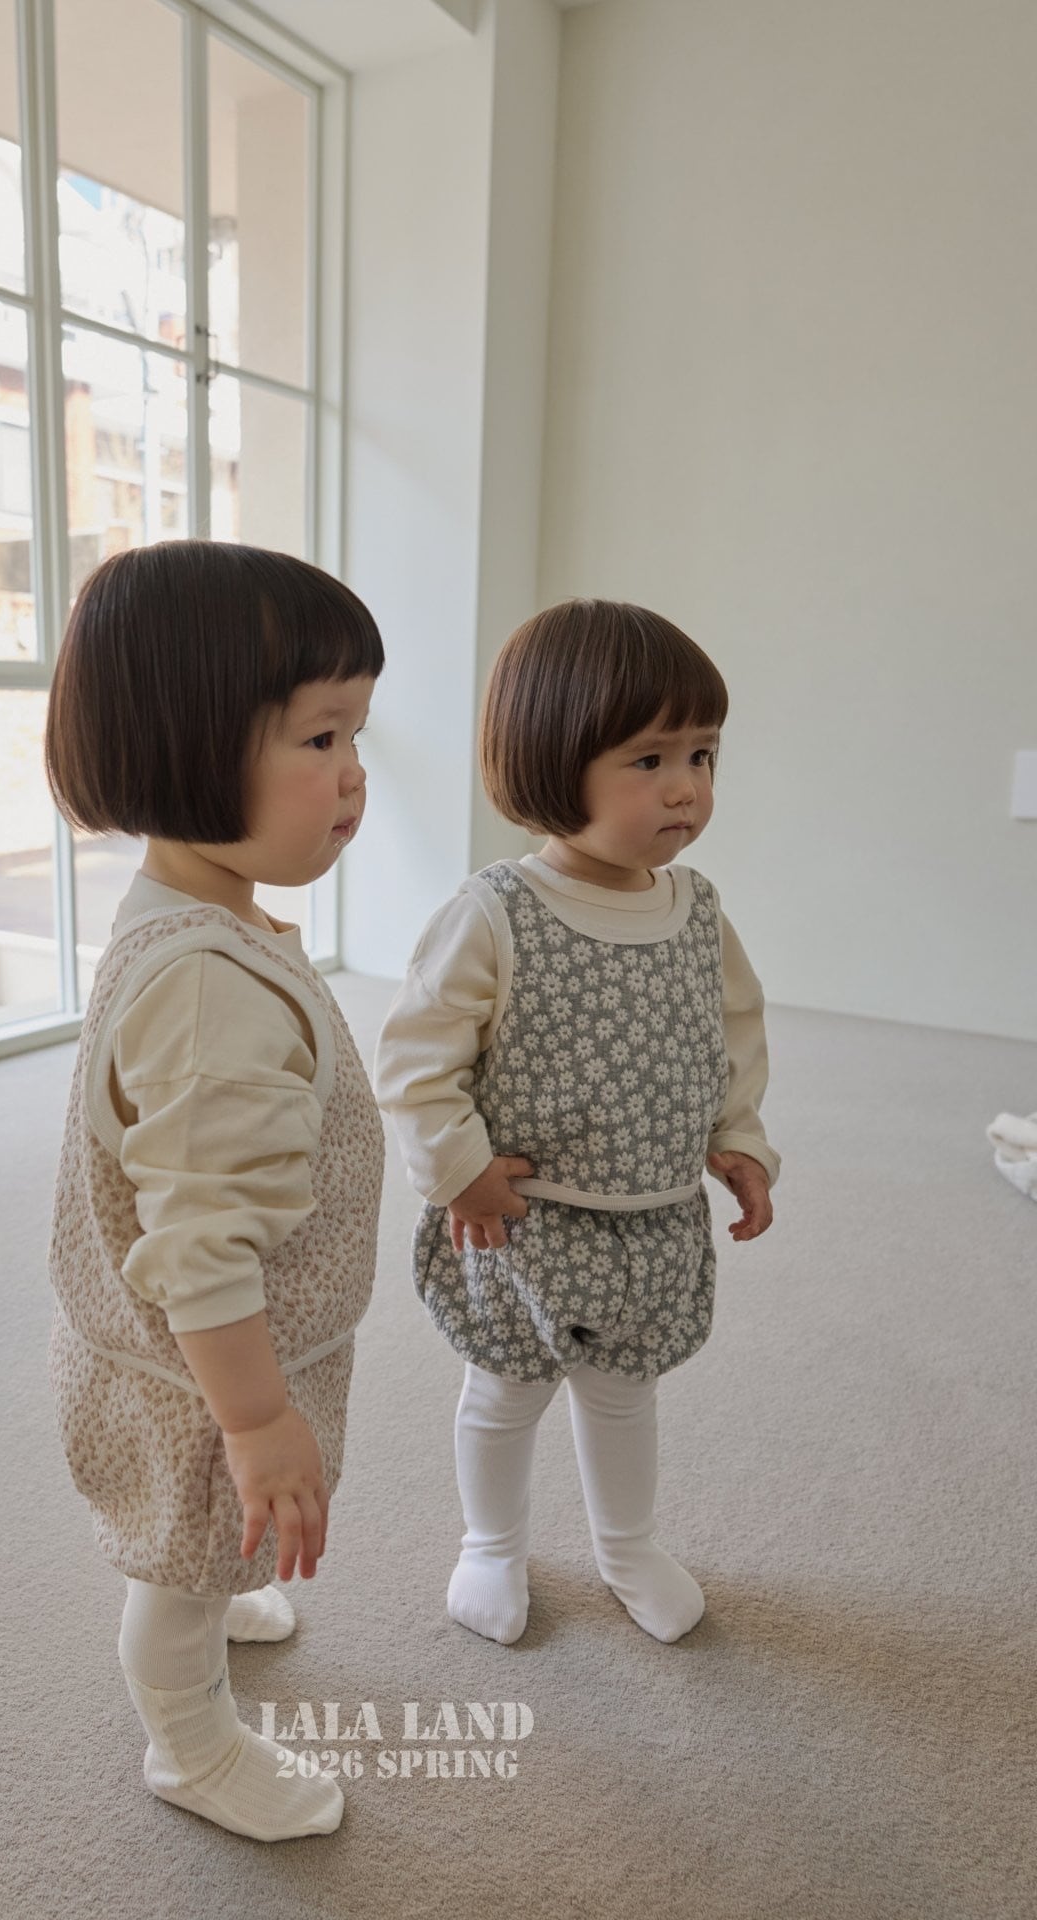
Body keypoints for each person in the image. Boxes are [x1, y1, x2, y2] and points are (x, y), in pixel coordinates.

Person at [44, 539, 384, 1840]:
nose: (353, 775)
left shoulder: (187, 907)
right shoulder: (207, 991)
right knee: (181, 1575)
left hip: (193, 1349)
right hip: (207, 1373)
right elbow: (199, 1245)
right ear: (189, 746)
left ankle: (221, 1577)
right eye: (319, 737)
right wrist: (255, 1421)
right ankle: (189, 1747)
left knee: (213, 1547)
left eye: (356, 734)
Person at [374, 600, 778, 1649]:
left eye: (701, 754)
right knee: (504, 1393)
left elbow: (729, 1033)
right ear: (552, 761)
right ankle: (490, 1545)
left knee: (623, 1394)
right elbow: (416, 1060)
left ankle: (626, 1545)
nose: (686, 787)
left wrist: (739, 1137)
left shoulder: (696, 910)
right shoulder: (494, 911)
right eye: (649, 760)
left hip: (652, 1218)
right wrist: (457, 1168)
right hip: (524, 1220)